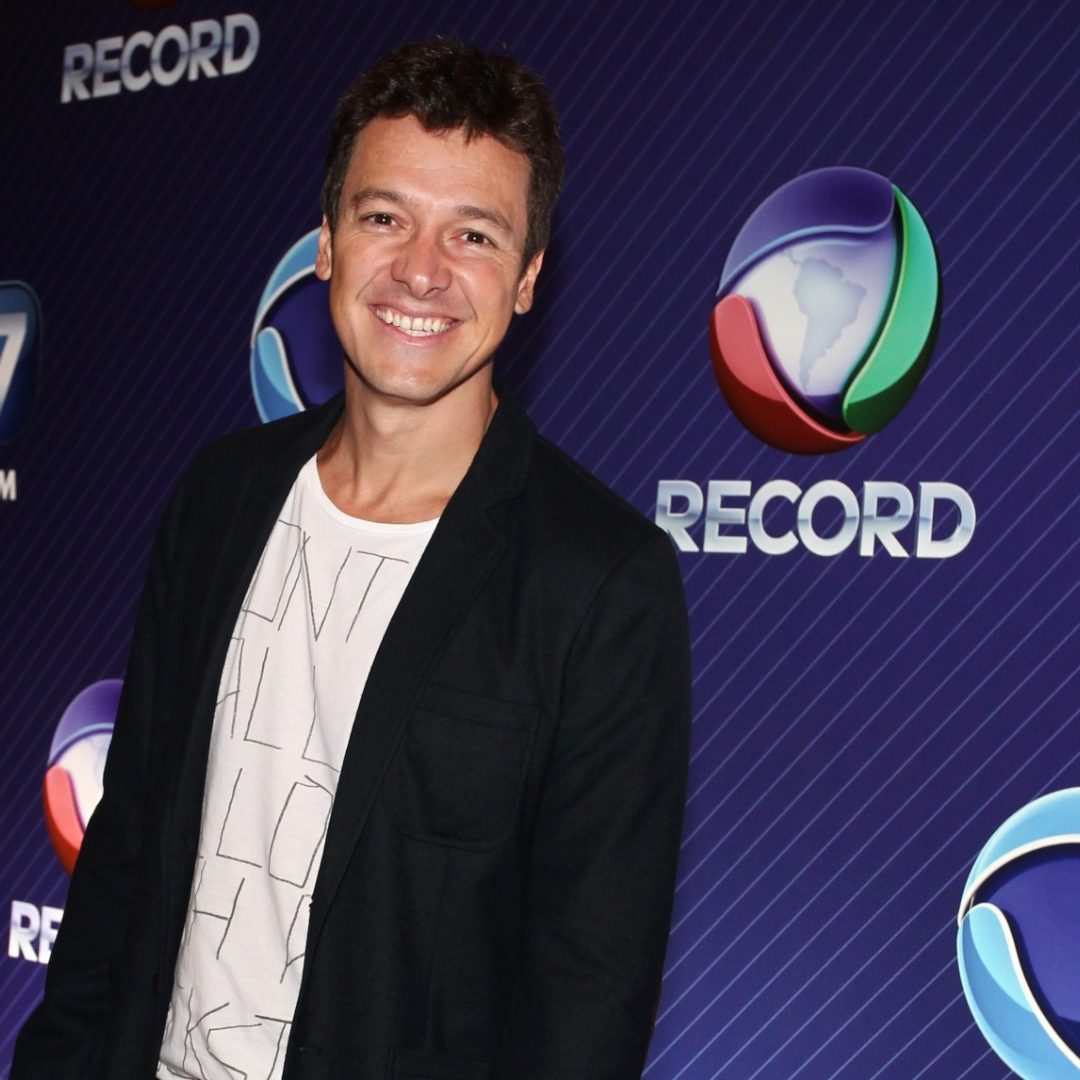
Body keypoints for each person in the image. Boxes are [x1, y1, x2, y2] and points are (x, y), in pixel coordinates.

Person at [13, 37, 690, 1080]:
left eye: (474, 234)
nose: (421, 270)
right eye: (385, 218)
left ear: (527, 280)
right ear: (326, 241)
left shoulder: (601, 580)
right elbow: (127, 851)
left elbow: (587, 997)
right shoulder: (220, 498)